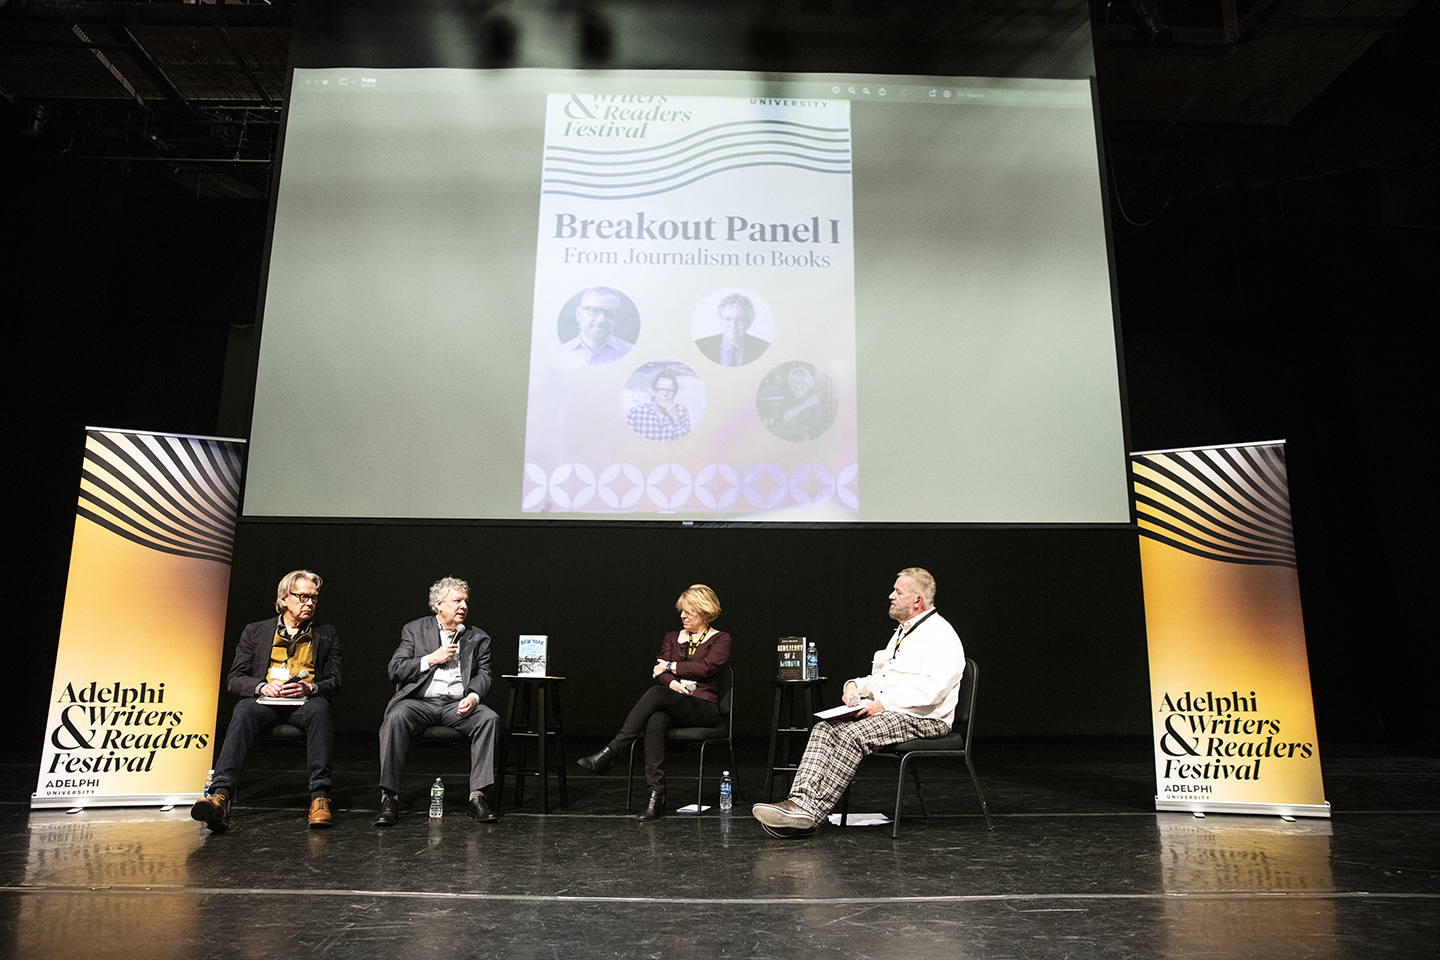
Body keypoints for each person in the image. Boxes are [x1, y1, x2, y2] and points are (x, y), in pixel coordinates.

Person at [752, 567, 963, 839]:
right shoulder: (903, 632)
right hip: (894, 711)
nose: (891, 596)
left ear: (917, 600)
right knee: (824, 728)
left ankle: (811, 813)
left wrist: (883, 703)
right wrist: (856, 685)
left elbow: (933, 689)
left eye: (898, 592)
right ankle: (799, 801)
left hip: (925, 718)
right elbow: (885, 677)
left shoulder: (940, 634)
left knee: (852, 735)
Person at [191, 569, 341, 831]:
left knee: (321, 710)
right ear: (284, 599)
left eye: (314, 598)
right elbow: (235, 679)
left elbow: (335, 681)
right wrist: (261, 686)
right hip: (265, 702)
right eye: (303, 597)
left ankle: (319, 797)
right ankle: (220, 797)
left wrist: (311, 688)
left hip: (304, 703)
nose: (310, 603)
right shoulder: (256, 631)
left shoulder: (326, 634)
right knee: (243, 710)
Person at [577, 584, 731, 821]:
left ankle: (613, 752)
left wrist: (670, 667)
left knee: (656, 695)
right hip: (674, 700)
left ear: (705, 612)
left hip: (703, 707)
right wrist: (672, 684)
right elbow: (659, 673)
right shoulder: (671, 637)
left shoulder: (721, 639)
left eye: (689, 611)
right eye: (682, 611)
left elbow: (706, 668)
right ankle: (656, 795)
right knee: (656, 720)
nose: (683, 615)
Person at [375, 577, 500, 825]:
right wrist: (431, 658)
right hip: (420, 704)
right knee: (396, 716)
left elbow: (484, 674)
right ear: (439, 604)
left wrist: (474, 697)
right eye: (457, 601)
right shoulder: (414, 630)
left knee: (489, 719)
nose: (464, 606)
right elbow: (395, 670)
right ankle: (389, 797)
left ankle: (477, 798)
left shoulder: (478, 637)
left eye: (466, 601)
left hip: (457, 705)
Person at [561, 286, 634, 364]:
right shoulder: (561, 353)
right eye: (594, 311)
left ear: (616, 318)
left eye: (609, 313)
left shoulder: (632, 353)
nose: (601, 320)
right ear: (578, 314)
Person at [695, 293, 770, 367]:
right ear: (720, 320)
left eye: (740, 319)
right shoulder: (700, 346)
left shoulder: (763, 348)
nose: (733, 325)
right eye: (727, 319)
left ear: (749, 322)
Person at [626, 369, 693, 441]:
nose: (665, 394)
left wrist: (676, 420)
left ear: (675, 393)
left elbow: (686, 445)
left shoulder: (682, 412)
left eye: (670, 391)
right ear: (653, 392)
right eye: (661, 390)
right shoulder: (635, 414)